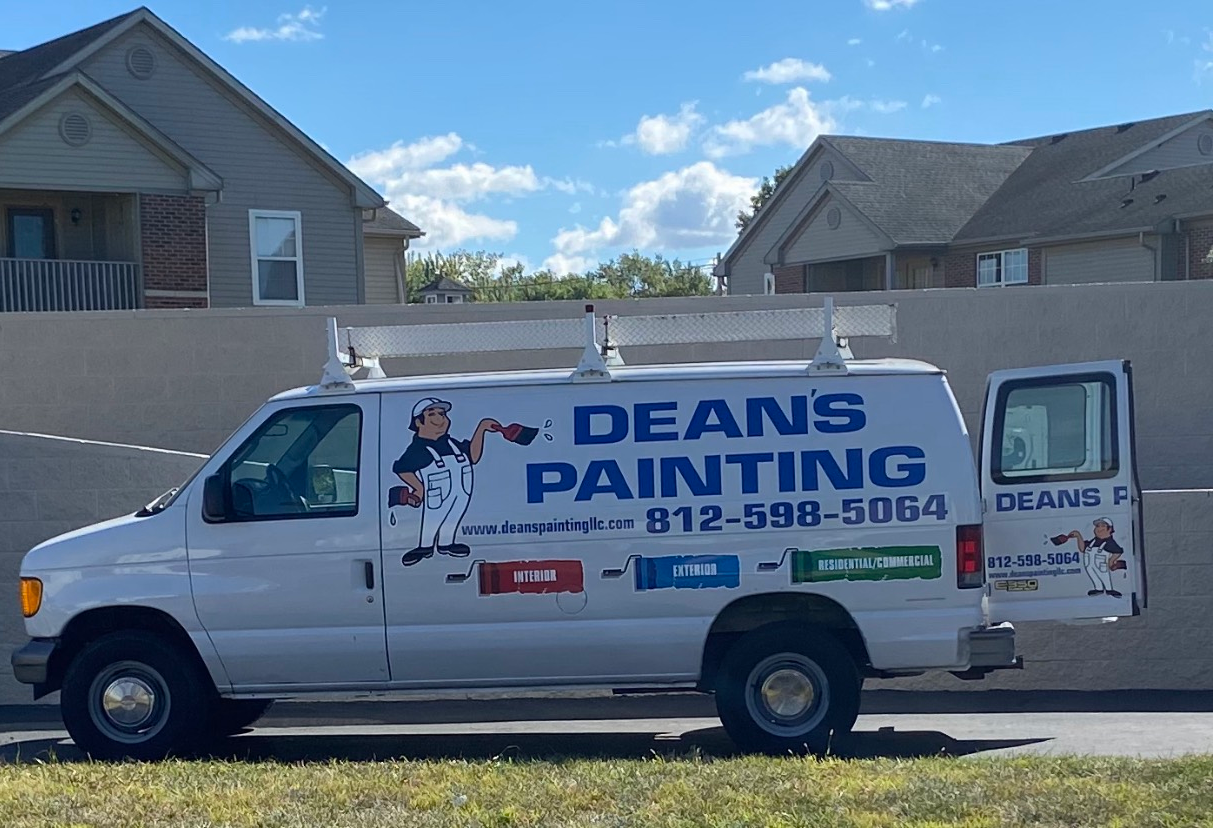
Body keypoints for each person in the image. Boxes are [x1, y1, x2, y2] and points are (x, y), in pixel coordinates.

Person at [392, 397, 502, 566]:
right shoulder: (419, 448)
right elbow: (402, 468)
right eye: (432, 414)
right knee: (433, 518)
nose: (440, 419)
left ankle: (446, 543)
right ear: (419, 422)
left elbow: (473, 456)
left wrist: (482, 428)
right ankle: (424, 547)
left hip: (461, 491)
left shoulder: (451, 443)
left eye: (442, 414)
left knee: (455, 514)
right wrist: (419, 489)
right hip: (437, 494)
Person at [1066, 517, 1125, 598]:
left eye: (1103, 526)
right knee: (1093, 574)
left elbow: (1118, 551)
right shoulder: (1093, 541)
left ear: (1109, 529)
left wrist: (1111, 561)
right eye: (1097, 526)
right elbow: (1082, 548)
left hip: (1101, 565)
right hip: (1090, 564)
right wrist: (1078, 536)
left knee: (1104, 576)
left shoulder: (1109, 542)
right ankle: (1098, 588)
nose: (1099, 528)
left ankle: (1109, 589)